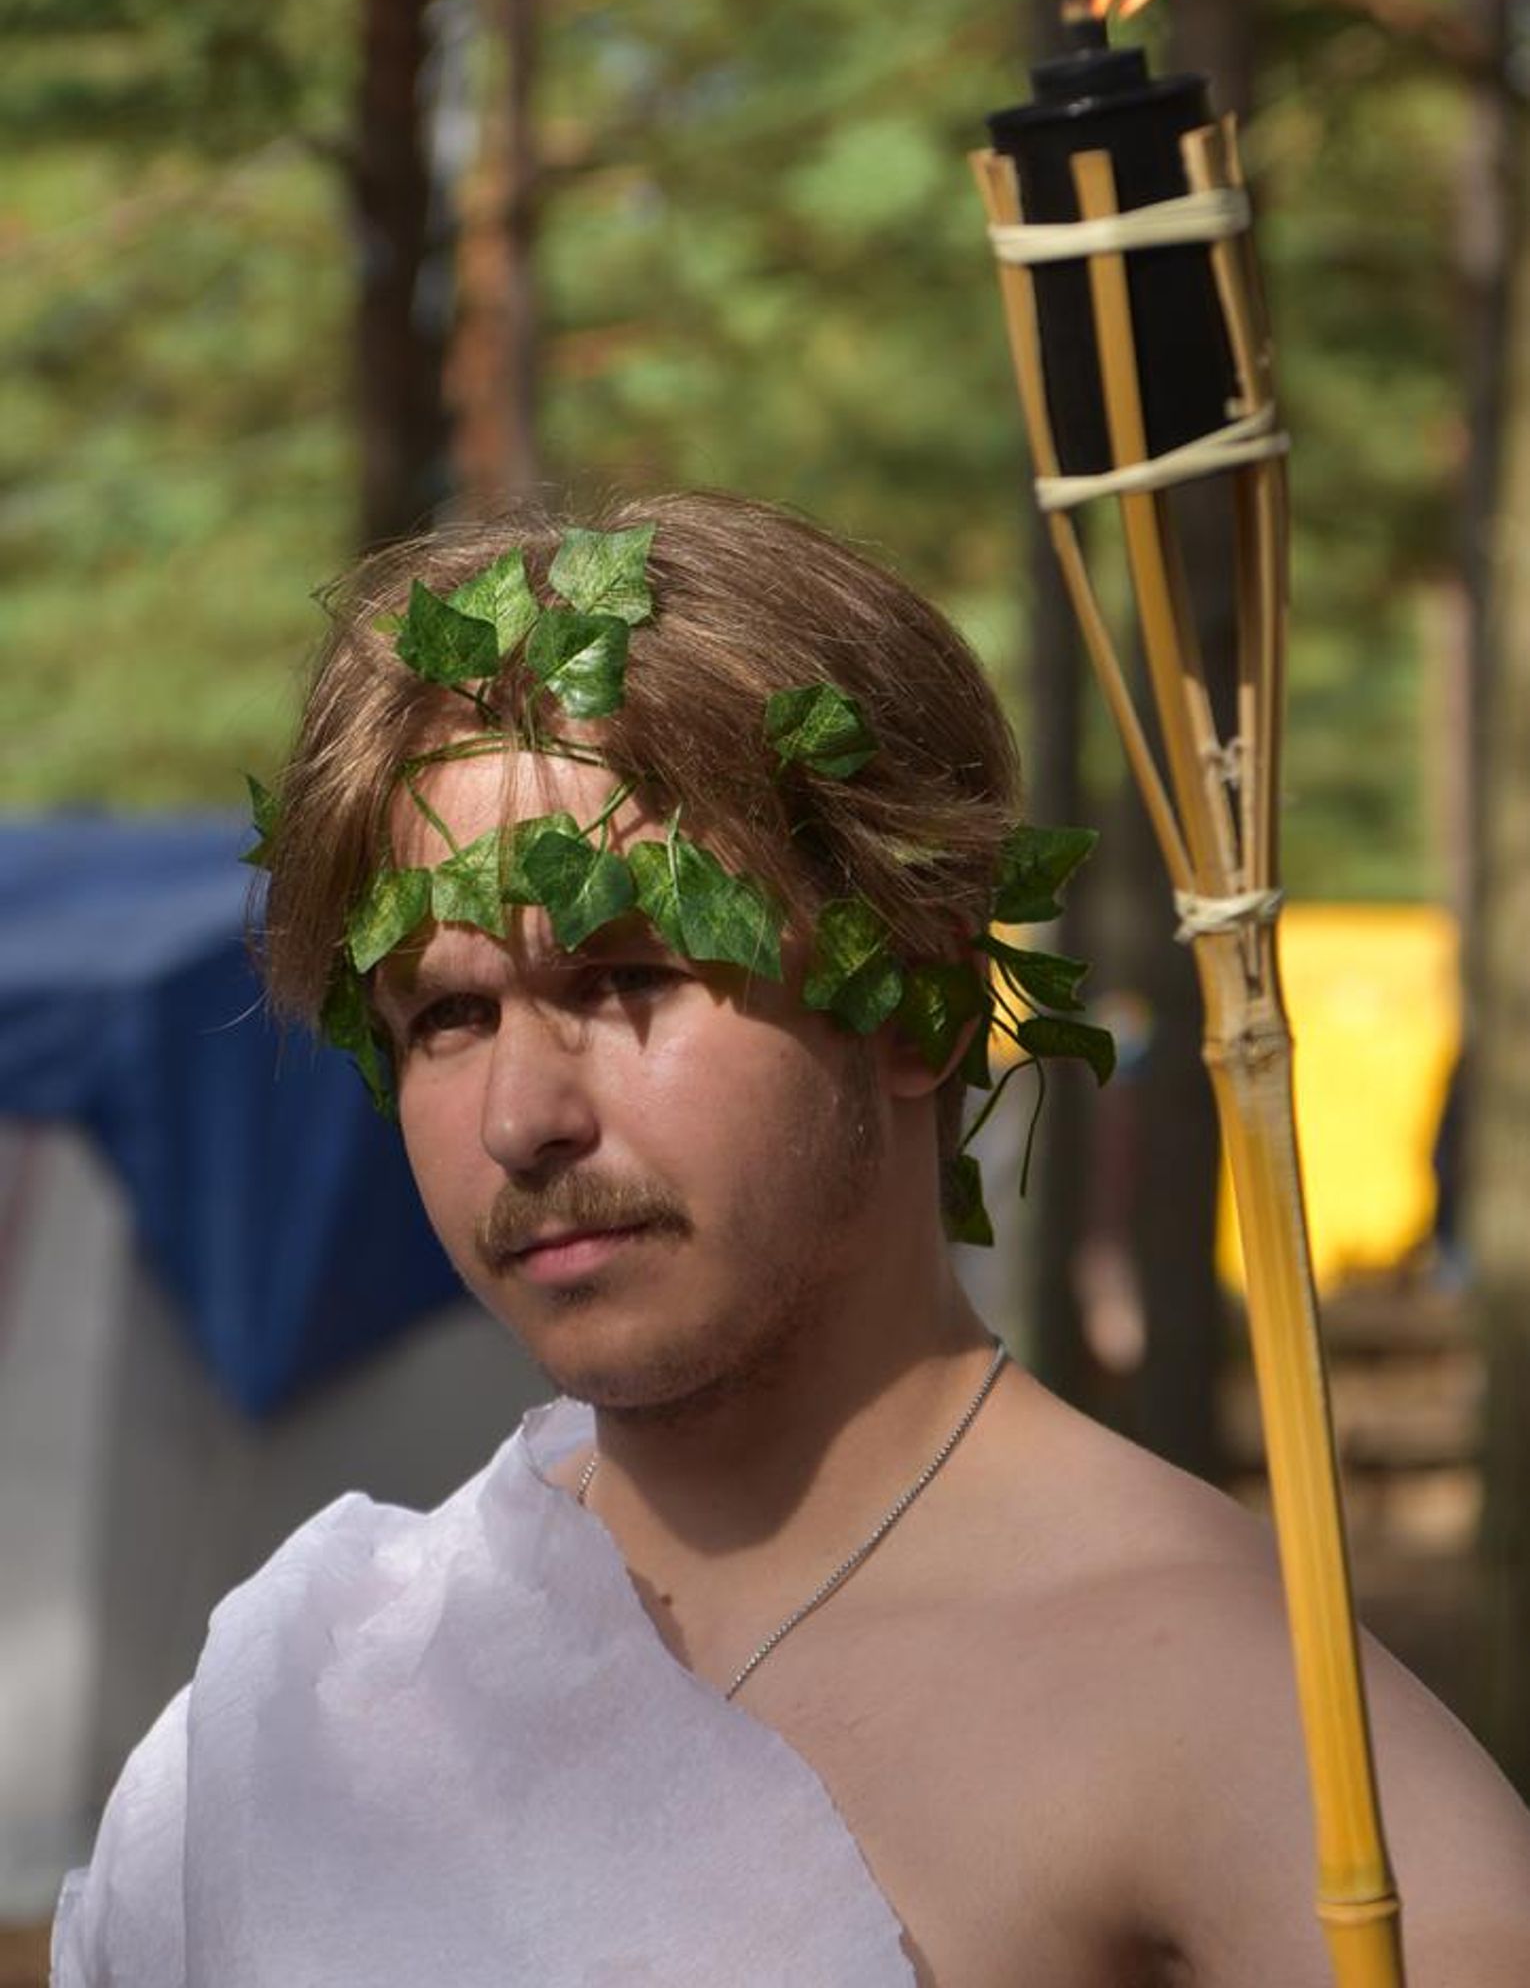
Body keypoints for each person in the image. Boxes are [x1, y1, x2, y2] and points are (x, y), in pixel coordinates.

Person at [56, 491, 1530, 1986]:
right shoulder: (309, 1695)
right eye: (446, 1014)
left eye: (627, 976)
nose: (520, 1116)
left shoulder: (1208, 1698)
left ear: (913, 1003)